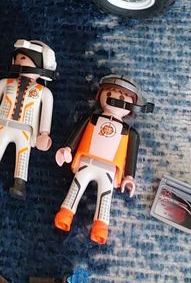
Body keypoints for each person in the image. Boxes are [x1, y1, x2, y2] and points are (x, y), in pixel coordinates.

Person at [53, 74, 153, 244]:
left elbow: (131, 156)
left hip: (109, 171)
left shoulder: (130, 133)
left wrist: (129, 176)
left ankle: (100, 227)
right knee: (75, 187)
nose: (115, 99)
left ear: (132, 107)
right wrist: (67, 149)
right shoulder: (91, 119)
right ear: (100, 95)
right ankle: (65, 214)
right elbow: (76, 134)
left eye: (122, 98)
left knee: (105, 197)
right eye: (110, 94)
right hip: (87, 162)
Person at [0, 39, 56, 199]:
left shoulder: (44, 92)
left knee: (23, 155)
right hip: (3, 125)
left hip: (25, 131)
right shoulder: (4, 83)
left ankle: (20, 183)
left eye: (23, 58)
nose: (19, 61)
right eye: (17, 58)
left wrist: (44, 133)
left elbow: (47, 114)